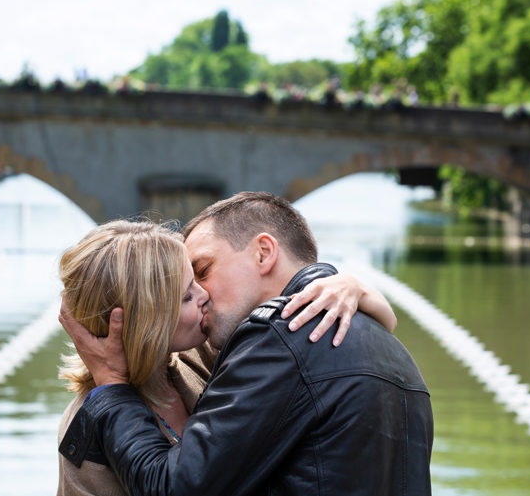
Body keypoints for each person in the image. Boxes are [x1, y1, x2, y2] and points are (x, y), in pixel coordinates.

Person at [61, 192, 433, 496]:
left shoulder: (271, 345)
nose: (202, 294)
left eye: (203, 272)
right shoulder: (385, 345)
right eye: (186, 292)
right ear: (147, 314)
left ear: (263, 253)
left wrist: (347, 282)